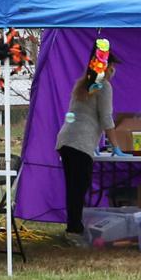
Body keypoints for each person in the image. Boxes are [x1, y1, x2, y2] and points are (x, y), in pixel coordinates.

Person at [55, 38, 125, 244]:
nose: (114, 70)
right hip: (80, 142)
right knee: (79, 188)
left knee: (72, 187)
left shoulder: (83, 83)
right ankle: (74, 231)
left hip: (66, 140)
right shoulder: (103, 85)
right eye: (112, 66)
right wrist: (116, 146)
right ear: (107, 67)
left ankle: (73, 227)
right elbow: (106, 118)